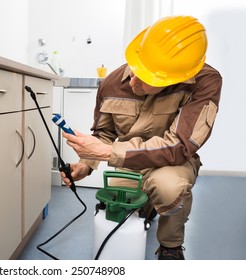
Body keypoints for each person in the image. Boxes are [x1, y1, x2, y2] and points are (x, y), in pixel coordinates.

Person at [60, 15, 222, 260]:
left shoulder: (204, 83)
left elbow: (179, 145)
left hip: (173, 163)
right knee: (117, 200)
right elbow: (105, 133)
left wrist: (108, 153)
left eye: (147, 79)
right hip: (128, 164)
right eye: (135, 69)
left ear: (173, 79)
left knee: (168, 187)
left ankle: (170, 246)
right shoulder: (113, 82)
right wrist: (85, 165)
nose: (133, 81)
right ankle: (148, 208)